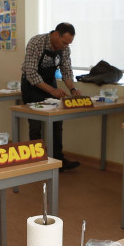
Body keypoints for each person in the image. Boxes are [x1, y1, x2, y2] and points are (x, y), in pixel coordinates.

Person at [20, 22, 81, 171]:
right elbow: (31, 73)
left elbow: (66, 71)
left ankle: (58, 161)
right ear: (55, 34)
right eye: (64, 42)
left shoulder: (65, 49)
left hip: (49, 83)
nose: (66, 46)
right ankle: (36, 163)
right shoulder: (36, 43)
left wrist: (73, 89)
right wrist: (52, 91)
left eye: (69, 43)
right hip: (32, 86)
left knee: (56, 123)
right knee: (36, 125)